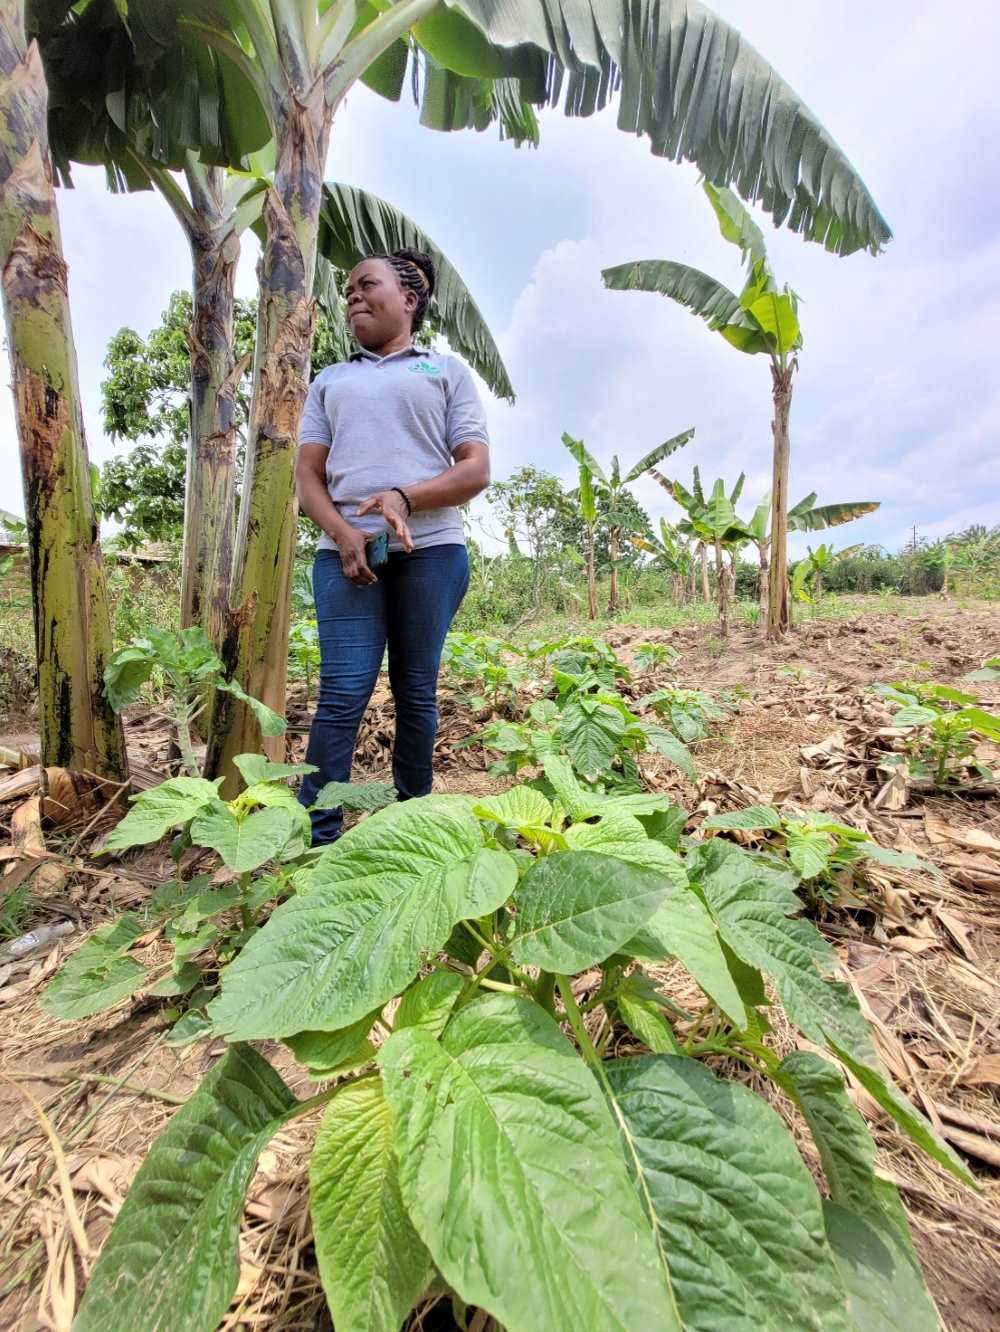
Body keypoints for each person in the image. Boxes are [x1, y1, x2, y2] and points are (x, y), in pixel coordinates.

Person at [295, 248, 490, 843]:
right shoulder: (330, 380)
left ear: (409, 299)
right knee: (343, 692)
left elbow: (476, 469)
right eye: (347, 288)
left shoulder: (445, 372)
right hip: (345, 555)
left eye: (366, 284)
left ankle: (410, 826)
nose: (352, 295)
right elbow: (308, 477)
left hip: (431, 552)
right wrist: (343, 531)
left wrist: (405, 497)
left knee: (415, 690)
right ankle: (318, 836)